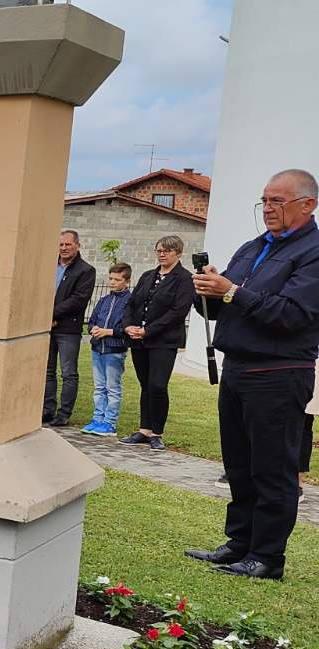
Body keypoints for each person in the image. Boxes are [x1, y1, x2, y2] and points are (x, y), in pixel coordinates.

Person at [185, 168, 319, 580]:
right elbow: (228, 304)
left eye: (278, 201)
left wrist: (230, 291)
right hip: (239, 367)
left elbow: (292, 315)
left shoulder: (313, 252)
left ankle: (266, 557)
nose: (268, 209)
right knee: (239, 464)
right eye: (265, 200)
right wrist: (207, 293)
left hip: (280, 371)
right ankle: (239, 543)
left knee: (273, 468)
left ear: (307, 204)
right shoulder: (254, 246)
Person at [117, 235, 195, 451]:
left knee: (158, 385)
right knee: (145, 385)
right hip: (139, 340)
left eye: (166, 251)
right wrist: (128, 326)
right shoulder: (147, 276)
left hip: (163, 340)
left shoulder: (184, 279)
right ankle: (144, 429)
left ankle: (157, 432)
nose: (161, 254)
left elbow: (178, 312)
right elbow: (131, 304)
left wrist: (148, 331)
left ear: (178, 253)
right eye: (159, 250)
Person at [45, 229, 95, 427]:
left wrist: (52, 314)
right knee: (47, 371)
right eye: (61, 245)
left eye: (68, 244)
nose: (64, 248)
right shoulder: (50, 266)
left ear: (77, 245)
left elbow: (78, 300)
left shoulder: (86, 270)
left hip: (68, 329)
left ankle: (64, 413)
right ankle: (47, 410)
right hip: (47, 327)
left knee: (68, 373)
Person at [80, 263, 132, 438]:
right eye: (111, 279)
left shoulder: (129, 302)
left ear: (127, 281)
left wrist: (108, 332)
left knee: (112, 387)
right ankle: (97, 419)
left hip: (114, 351)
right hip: (97, 349)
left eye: (117, 280)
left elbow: (127, 328)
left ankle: (110, 423)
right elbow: (93, 319)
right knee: (99, 387)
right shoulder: (104, 300)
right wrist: (94, 329)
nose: (112, 283)